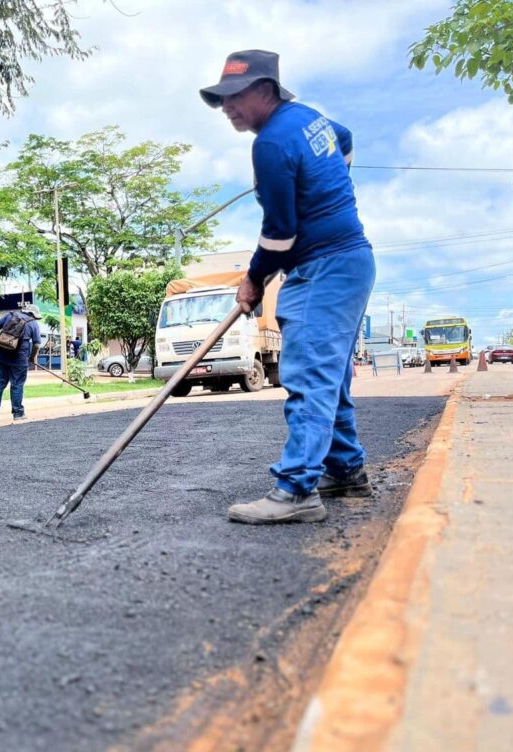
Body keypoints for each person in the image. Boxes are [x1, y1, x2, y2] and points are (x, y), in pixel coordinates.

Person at [199, 50, 375, 524]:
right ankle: (346, 473)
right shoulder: (308, 119)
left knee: (310, 377)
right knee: (330, 378)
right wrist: (332, 187)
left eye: (235, 97)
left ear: (265, 91)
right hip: (347, 262)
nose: (227, 108)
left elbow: (280, 235)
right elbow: (346, 140)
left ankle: (297, 490)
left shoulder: (272, 143)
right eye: (221, 100)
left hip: (326, 267)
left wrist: (252, 279)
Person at [0, 304, 42, 422]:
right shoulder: (33, 324)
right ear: (33, 314)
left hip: (1, 356)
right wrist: (32, 358)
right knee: (17, 385)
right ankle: (18, 413)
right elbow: (37, 344)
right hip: (19, 360)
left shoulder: (10, 315)